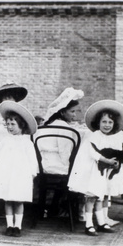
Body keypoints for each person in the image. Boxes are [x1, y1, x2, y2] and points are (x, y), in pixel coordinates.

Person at [68, 100, 123, 236]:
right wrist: (106, 160)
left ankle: (101, 223)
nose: (107, 125)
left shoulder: (112, 138)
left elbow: (116, 153)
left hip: (102, 172)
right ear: (98, 123)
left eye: (110, 122)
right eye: (104, 122)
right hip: (92, 171)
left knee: (100, 196)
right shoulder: (94, 136)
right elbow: (93, 153)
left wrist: (116, 163)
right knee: (91, 197)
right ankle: (89, 224)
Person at [0, 101, 38, 237]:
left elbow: (32, 159)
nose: (10, 127)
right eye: (8, 124)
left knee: (18, 200)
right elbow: (0, 157)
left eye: (13, 124)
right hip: (8, 174)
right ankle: (9, 225)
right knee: (8, 199)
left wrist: (32, 173)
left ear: (21, 125)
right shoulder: (5, 140)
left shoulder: (26, 142)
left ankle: (18, 226)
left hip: (20, 175)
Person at [37, 87, 84, 218]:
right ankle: (74, 210)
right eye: (72, 112)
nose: (75, 115)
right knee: (81, 170)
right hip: (57, 164)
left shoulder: (47, 124)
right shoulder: (65, 129)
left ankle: (54, 206)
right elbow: (65, 154)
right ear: (62, 112)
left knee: (71, 173)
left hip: (43, 164)